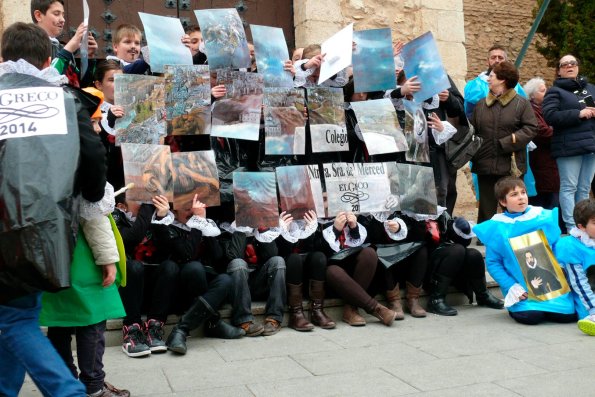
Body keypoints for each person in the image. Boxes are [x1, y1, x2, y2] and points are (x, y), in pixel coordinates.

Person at [0, 22, 105, 397]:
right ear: (47, 60)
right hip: (43, 227)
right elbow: (93, 155)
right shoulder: (64, 100)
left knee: (14, 317)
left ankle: (65, 391)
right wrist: (92, 194)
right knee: (15, 316)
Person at [473, 177, 576, 325]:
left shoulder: (541, 217)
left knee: (567, 316)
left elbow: (556, 247)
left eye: (523, 192)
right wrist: (511, 287)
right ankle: (517, 307)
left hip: (550, 283)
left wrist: (560, 268)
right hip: (521, 287)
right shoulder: (497, 227)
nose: (521, 197)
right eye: (514, 194)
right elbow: (493, 263)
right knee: (531, 317)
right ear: (503, 202)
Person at [470, 61, 537, 225]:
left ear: (502, 80)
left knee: (513, 202)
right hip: (485, 161)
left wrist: (507, 142)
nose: (488, 79)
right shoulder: (480, 105)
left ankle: (516, 233)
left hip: (510, 162)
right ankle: (485, 236)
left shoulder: (522, 103)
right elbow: (473, 131)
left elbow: (531, 128)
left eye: (491, 76)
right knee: (486, 204)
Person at [542, 54, 595, 231]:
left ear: (578, 67)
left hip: (591, 145)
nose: (569, 66)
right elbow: (549, 116)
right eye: (565, 65)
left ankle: (584, 225)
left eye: (573, 63)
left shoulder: (591, 89)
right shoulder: (554, 92)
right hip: (568, 147)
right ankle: (572, 227)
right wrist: (577, 114)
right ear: (559, 70)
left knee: (585, 188)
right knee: (569, 187)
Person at [322, 212, 396, 326]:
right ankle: (376, 308)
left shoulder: (359, 218)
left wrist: (354, 227)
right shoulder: (316, 221)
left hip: (359, 279)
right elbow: (317, 252)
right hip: (333, 278)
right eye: (325, 199)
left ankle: (351, 308)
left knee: (369, 253)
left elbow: (372, 240)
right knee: (333, 270)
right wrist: (335, 230)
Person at [277, 210, 336, 331]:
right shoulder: (280, 214)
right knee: (294, 258)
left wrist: (309, 227)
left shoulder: (310, 213)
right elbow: (278, 252)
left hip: (309, 276)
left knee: (319, 257)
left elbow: (319, 248)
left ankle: (317, 310)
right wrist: (285, 229)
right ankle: (296, 313)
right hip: (289, 273)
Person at [31, 0, 97, 87]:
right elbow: (46, 83)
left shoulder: (60, 47)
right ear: (38, 16)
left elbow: (80, 86)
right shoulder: (28, 45)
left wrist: (89, 57)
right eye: (56, 14)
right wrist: (68, 49)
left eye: (63, 15)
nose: (62, 20)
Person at [554, 198, 595, 335]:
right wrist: (593, 309)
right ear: (581, 227)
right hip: (583, 293)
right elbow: (579, 283)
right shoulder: (571, 246)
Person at [523, 77, 560, 212]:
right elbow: (542, 132)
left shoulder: (545, 109)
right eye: (543, 91)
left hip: (549, 160)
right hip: (540, 160)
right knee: (544, 198)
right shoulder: (531, 110)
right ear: (532, 95)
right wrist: (559, 130)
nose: (547, 93)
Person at [464, 45, 526, 118]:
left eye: (500, 58)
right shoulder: (475, 85)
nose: (497, 60)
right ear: (488, 61)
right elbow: (470, 112)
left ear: (506, 61)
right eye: (493, 57)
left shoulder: (516, 85)